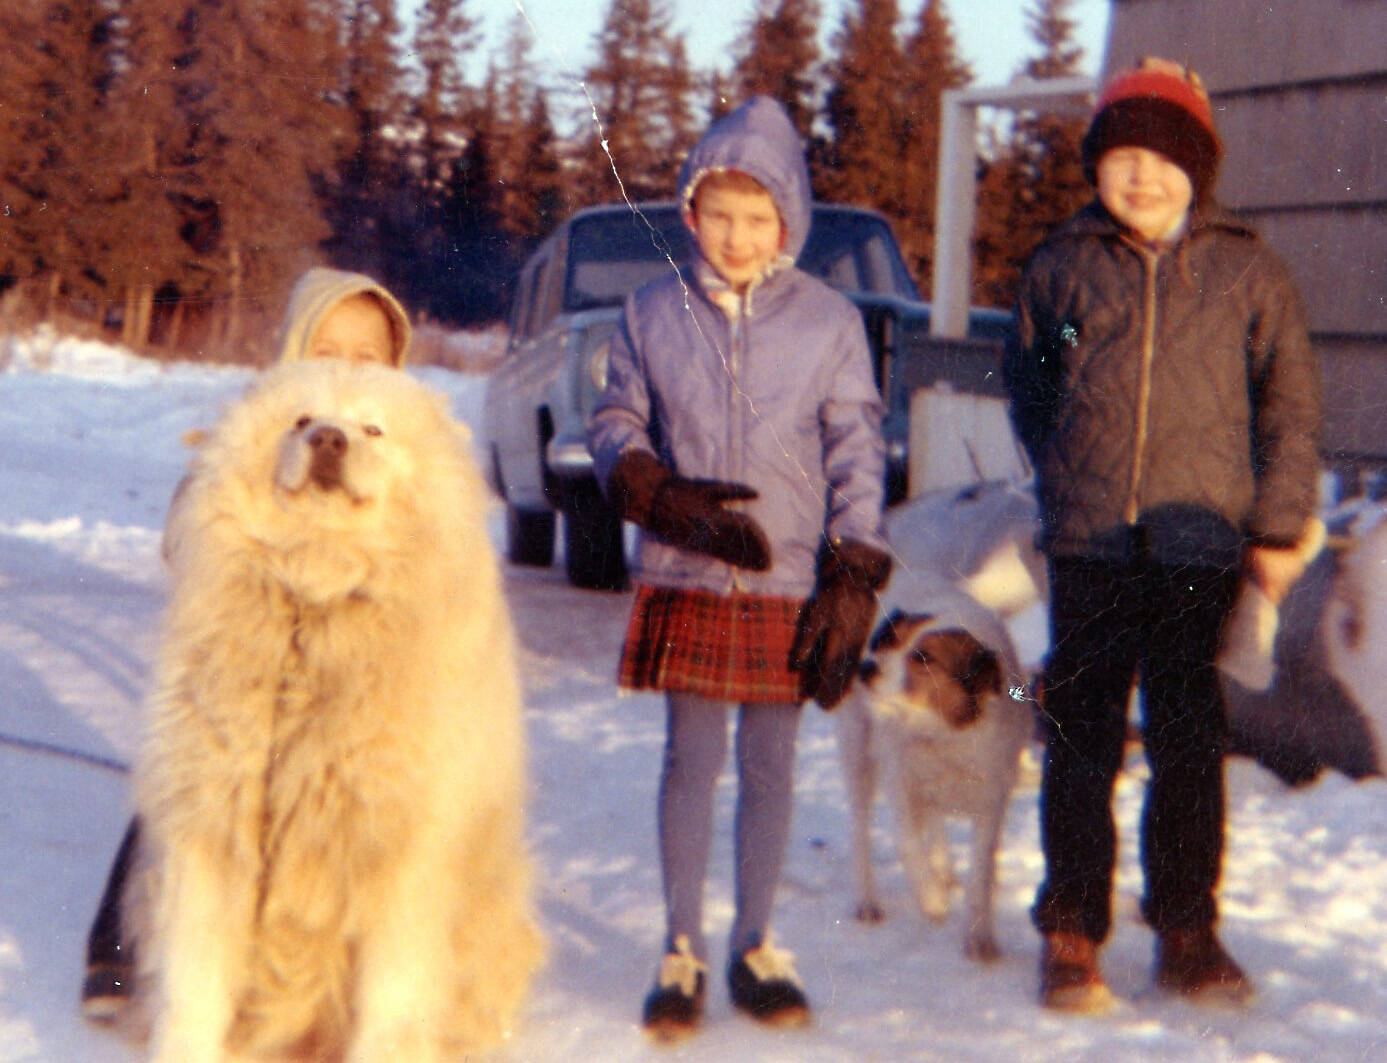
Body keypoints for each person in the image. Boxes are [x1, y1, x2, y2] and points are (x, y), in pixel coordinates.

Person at [1002, 57, 1322, 1013]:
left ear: (1197, 170)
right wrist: (1067, 473)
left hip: (1199, 542)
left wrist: (1273, 523)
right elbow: (1032, 385)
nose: (1141, 177)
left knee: (1187, 737)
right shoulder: (1064, 266)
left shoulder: (1245, 270)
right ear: (1097, 167)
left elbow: (1290, 407)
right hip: (1092, 539)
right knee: (1080, 734)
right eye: (1122, 157)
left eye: (1163, 158)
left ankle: (1186, 924)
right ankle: (1070, 929)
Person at [588, 95, 889, 1037]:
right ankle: (678, 950)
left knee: (770, 764)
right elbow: (615, 420)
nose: (735, 235)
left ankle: (755, 943)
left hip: (790, 578)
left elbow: (857, 448)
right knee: (692, 759)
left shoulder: (831, 322)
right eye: (717, 214)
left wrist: (854, 566)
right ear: (688, 212)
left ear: (788, 223)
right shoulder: (648, 311)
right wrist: (642, 481)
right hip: (688, 565)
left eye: (757, 218)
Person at [80, 267, 412, 1019]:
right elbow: (187, 529)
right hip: (247, 660)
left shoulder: (392, 449)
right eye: (325, 348)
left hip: (342, 672)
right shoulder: (257, 431)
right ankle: (118, 951)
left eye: (366, 355)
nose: (343, 368)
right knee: (192, 794)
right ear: (292, 348)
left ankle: (318, 971)